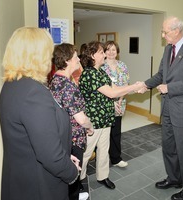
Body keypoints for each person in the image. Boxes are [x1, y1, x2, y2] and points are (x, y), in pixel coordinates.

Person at [0, 27, 80, 200]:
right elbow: (50, 155)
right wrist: (72, 172)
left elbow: (36, 139)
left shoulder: (12, 85)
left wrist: (65, 155)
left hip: (21, 180)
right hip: (39, 185)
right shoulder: (33, 93)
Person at [139, 16, 183, 200]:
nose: (162, 35)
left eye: (165, 32)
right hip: (167, 108)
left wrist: (170, 88)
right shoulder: (168, 49)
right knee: (168, 147)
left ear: (176, 31)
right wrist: (145, 84)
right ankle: (174, 179)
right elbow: (162, 74)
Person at [79, 41, 144, 190]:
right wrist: (135, 86)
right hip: (94, 121)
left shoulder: (101, 71)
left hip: (106, 118)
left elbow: (115, 88)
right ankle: (79, 180)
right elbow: (112, 93)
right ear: (92, 56)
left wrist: (134, 88)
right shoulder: (89, 73)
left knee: (103, 149)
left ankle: (102, 176)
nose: (105, 54)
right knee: (86, 153)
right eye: (101, 52)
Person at [49, 43, 94, 200]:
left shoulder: (55, 79)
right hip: (73, 138)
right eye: (75, 57)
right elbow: (81, 118)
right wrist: (90, 127)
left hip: (62, 135)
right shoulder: (68, 86)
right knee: (74, 172)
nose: (79, 60)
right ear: (67, 60)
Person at [102, 41, 129, 168]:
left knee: (116, 132)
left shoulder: (122, 66)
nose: (111, 52)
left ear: (117, 51)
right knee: (103, 133)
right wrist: (111, 101)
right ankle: (101, 158)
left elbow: (126, 85)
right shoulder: (101, 66)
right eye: (108, 49)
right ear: (104, 52)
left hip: (120, 103)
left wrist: (119, 100)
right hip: (104, 104)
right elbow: (101, 88)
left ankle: (116, 158)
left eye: (113, 50)